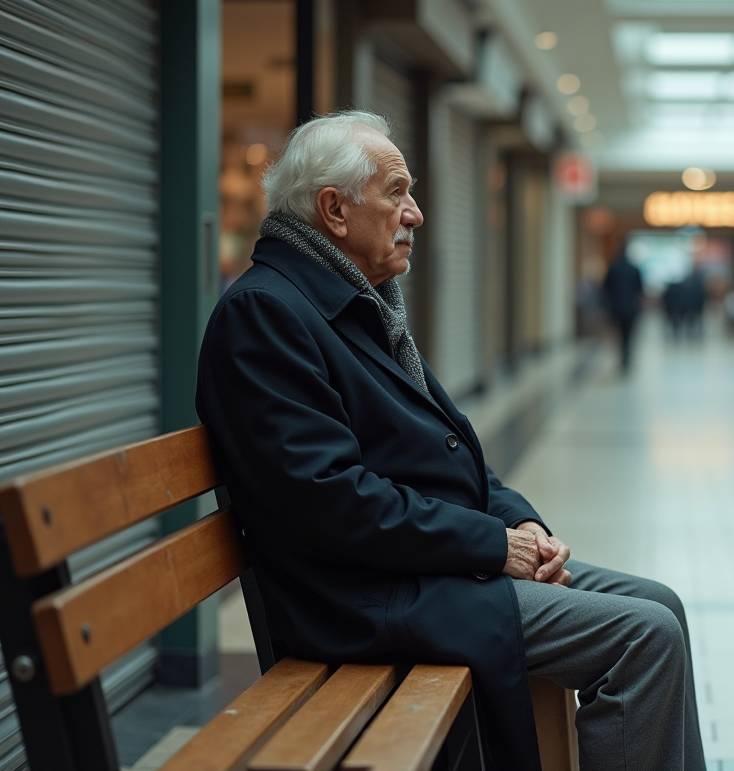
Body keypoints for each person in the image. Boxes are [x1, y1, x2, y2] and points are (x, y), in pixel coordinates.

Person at [195, 111, 704, 771]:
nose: (416, 214)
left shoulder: (357, 303)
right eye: (397, 193)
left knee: (660, 604)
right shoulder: (266, 313)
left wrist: (522, 525)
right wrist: (494, 545)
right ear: (334, 210)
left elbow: (451, 451)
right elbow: (329, 499)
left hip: (422, 568)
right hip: (361, 598)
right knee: (644, 636)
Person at [602, 241, 643, 373]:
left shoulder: (613, 268)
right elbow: (640, 289)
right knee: (628, 335)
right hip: (631, 307)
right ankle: (626, 356)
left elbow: (605, 288)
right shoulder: (634, 269)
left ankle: (622, 357)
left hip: (616, 307)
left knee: (619, 334)